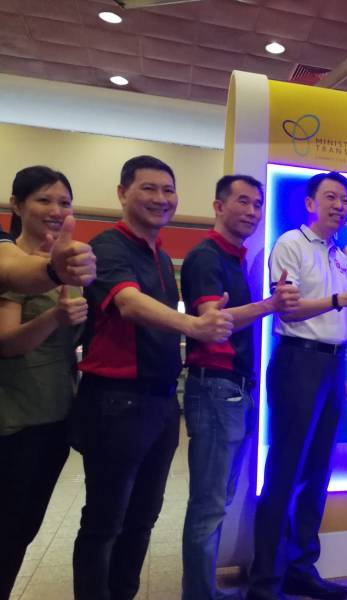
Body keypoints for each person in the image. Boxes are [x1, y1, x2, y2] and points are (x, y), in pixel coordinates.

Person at [71, 155, 234, 600]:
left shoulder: (161, 255)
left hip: (161, 402)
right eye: (149, 188)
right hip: (116, 401)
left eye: (168, 190)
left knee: (142, 519)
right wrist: (194, 325)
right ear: (122, 193)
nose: (161, 198)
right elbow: (128, 302)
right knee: (104, 522)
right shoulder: (108, 246)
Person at [247, 171, 347, 600]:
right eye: (331, 197)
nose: (340, 206)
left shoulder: (340, 256)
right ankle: (264, 582)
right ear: (310, 203)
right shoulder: (290, 244)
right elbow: (288, 310)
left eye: (345, 200)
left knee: (317, 473)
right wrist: (340, 300)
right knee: (284, 472)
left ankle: (300, 567)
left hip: (334, 364)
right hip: (298, 362)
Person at [180, 175, 300, 600]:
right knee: (209, 505)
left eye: (257, 204)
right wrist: (271, 305)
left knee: (219, 500)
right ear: (218, 206)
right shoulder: (206, 257)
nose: (252, 211)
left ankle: (203, 590)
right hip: (215, 387)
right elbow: (212, 322)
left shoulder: (234, 257)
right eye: (243, 202)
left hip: (235, 390)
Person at [0, 166, 88, 600]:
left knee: (23, 531)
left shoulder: (68, 266)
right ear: (16, 205)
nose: (55, 210)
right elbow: (6, 344)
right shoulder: (12, 263)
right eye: (44, 200)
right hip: (14, 422)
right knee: (5, 533)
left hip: (55, 420)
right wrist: (54, 316)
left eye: (64, 202)